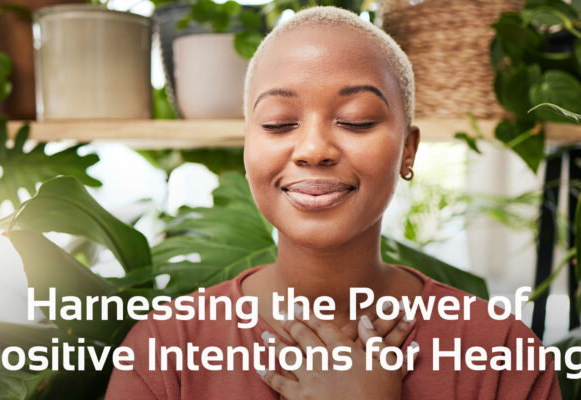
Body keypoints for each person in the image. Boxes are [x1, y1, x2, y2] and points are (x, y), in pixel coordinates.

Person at [106, 6, 561, 399]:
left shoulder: (501, 353)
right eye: (279, 124)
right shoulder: (165, 351)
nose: (313, 149)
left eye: (356, 121)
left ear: (408, 149)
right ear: (247, 148)